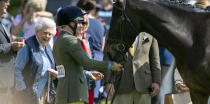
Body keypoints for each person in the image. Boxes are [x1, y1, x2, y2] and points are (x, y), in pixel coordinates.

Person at [53, 6, 122, 104]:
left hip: (64, 94)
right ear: (71, 22)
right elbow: (87, 63)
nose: (82, 26)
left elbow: (69, 69)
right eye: (79, 22)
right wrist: (111, 65)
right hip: (74, 95)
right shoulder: (71, 40)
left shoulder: (59, 40)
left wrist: (88, 74)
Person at [105, 32, 161, 104]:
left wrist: (156, 81)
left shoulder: (150, 31)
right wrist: (108, 82)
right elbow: (107, 58)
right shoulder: (116, 30)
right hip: (120, 84)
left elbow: (154, 59)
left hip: (144, 86)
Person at [15, 17, 57, 104]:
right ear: (37, 31)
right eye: (45, 33)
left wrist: (54, 74)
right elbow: (17, 70)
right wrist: (22, 92)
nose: (47, 36)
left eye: (50, 34)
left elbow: (52, 67)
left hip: (44, 95)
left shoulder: (48, 47)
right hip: (27, 96)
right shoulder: (27, 46)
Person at [77, 0, 106, 103]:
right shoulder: (100, 24)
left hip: (85, 59)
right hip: (98, 59)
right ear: (93, 8)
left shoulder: (79, 23)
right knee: (94, 96)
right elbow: (103, 45)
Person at [0, 0, 24, 103]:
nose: (8, 4)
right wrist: (11, 46)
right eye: (5, 1)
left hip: (7, 80)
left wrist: (15, 44)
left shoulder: (2, 23)